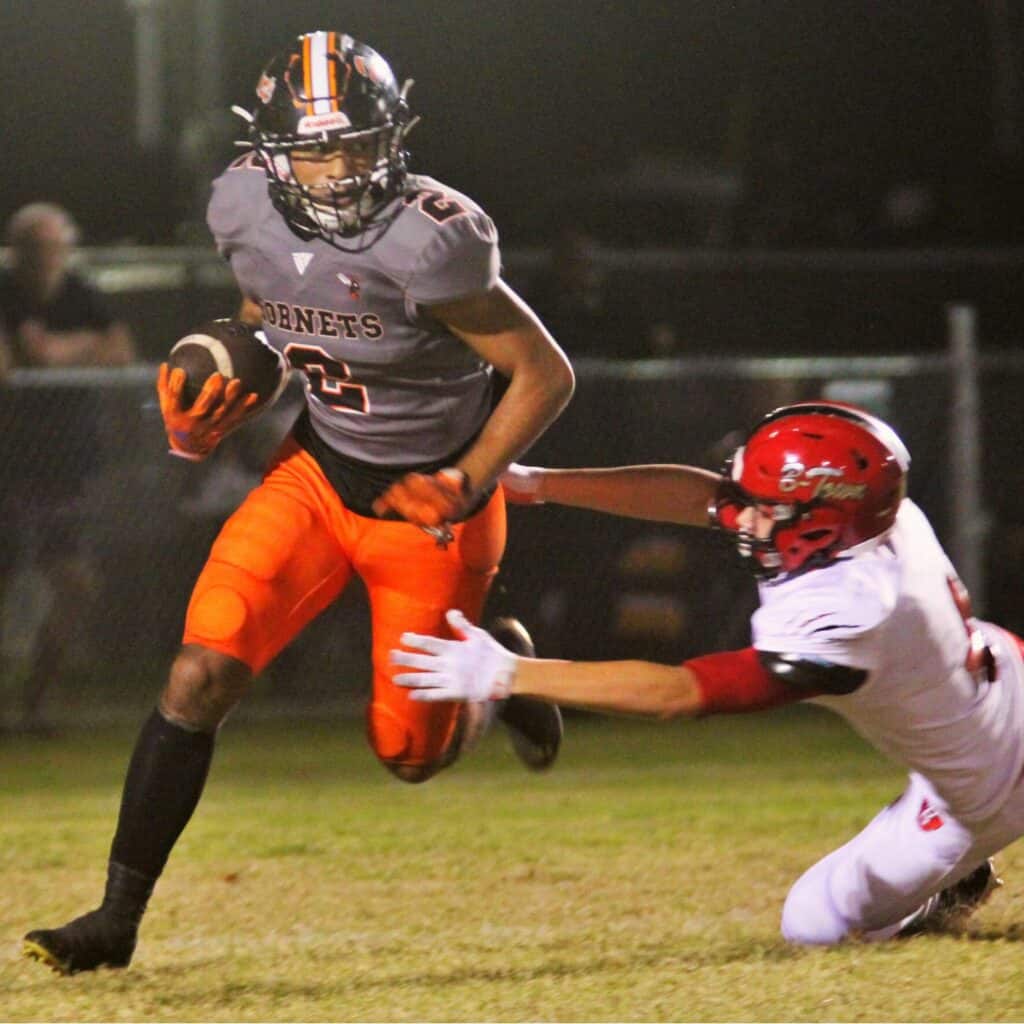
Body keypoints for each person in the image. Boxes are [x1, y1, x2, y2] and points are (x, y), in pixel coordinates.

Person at [23, 30, 574, 974]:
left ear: (393, 139)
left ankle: (505, 666)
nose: (340, 169)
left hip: (429, 499)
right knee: (197, 676)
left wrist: (470, 477)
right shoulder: (241, 203)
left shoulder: (435, 239)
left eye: (358, 145)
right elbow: (271, 329)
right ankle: (113, 921)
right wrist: (219, 411)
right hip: (318, 473)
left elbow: (543, 373)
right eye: (318, 149)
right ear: (272, 151)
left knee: (409, 754)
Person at [393, 401, 1021, 944]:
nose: (741, 517)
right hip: (1005, 689)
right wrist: (539, 483)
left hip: (988, 786)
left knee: (816, 922)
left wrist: (510, 674)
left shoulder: (846, 616)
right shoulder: (875, 522)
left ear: (825, 521)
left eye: (763, 508)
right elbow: (707, 499)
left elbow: (681, 691)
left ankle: (954, 878)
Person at [0, 202, 137, 730]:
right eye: (35, 249)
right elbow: (8, 364)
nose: (47, 259)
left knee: (75, 584)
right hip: (8, 466)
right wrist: (74, 348)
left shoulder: (80, 294)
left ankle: (34, 704)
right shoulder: (5, 291)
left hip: (66, 466)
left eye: (55, 247)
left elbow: (120, 350)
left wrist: (61, 349)